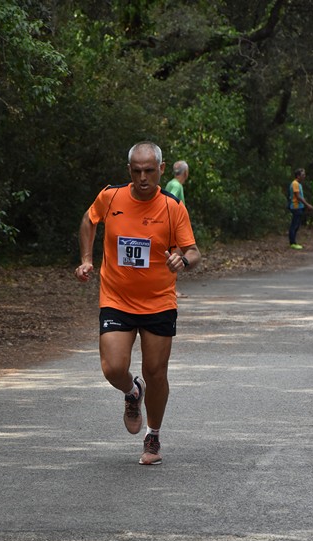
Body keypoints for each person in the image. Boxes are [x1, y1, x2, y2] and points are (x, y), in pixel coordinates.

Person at [75, 142, 201, 465]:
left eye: (149, 170)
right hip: (116, 297)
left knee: (156, 372)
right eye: (137, 171)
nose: (143, 177)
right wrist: (87, 259)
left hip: (158, 301)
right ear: (129, 170)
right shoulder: (112, 197)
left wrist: (182, 261)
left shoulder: (173, 207)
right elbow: (89, 221)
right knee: (113, 367)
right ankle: (133, 392)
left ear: (161, 169)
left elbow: (193, 251)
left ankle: (153, 436)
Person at [165, 160, 190, 298]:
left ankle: (170, 288)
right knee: (175, 257)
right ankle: (171, 289)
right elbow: (171, 201)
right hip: (174, 228)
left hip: (171, 226)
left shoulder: (171, 183)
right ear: (185, 173)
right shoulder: (176, 185)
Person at [288, 168, 313, 249]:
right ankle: (292, 242)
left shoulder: (299, 184)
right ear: (298, 176)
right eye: (303, 175)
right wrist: (307, 204)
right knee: (294, 224)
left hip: (299, 207)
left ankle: (294, 241)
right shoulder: (295, 184)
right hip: (296, 207)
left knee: (297, 225)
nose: (304, 176)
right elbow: (298, 196)